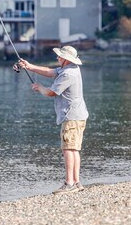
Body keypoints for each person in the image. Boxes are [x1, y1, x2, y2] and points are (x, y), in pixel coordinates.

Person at [17, 45, 89, 194]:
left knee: (68, 149)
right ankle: (76, 182)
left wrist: (39, 87)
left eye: (59, 56)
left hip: (71, 116)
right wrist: (29, 66)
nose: (57, 57)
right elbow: (50, 72)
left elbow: (51, 92)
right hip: (78, 115)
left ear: (65, 59)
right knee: (73, 149)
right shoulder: (70, 69)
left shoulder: (68, 74)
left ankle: (69, 183)